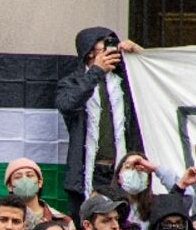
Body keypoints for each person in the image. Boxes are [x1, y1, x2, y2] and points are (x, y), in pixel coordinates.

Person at [56, 28, 143, 209]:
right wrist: (96, 71)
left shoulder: (126, 82)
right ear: (89, 53)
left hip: (124, 170)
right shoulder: (72, 82)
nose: (111, 50)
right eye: (105, 46)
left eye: (113, 45)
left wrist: (139, 56)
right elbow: (67, 104)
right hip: (90, 171)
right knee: (92, 222)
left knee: (127, 222)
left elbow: (154, 88)